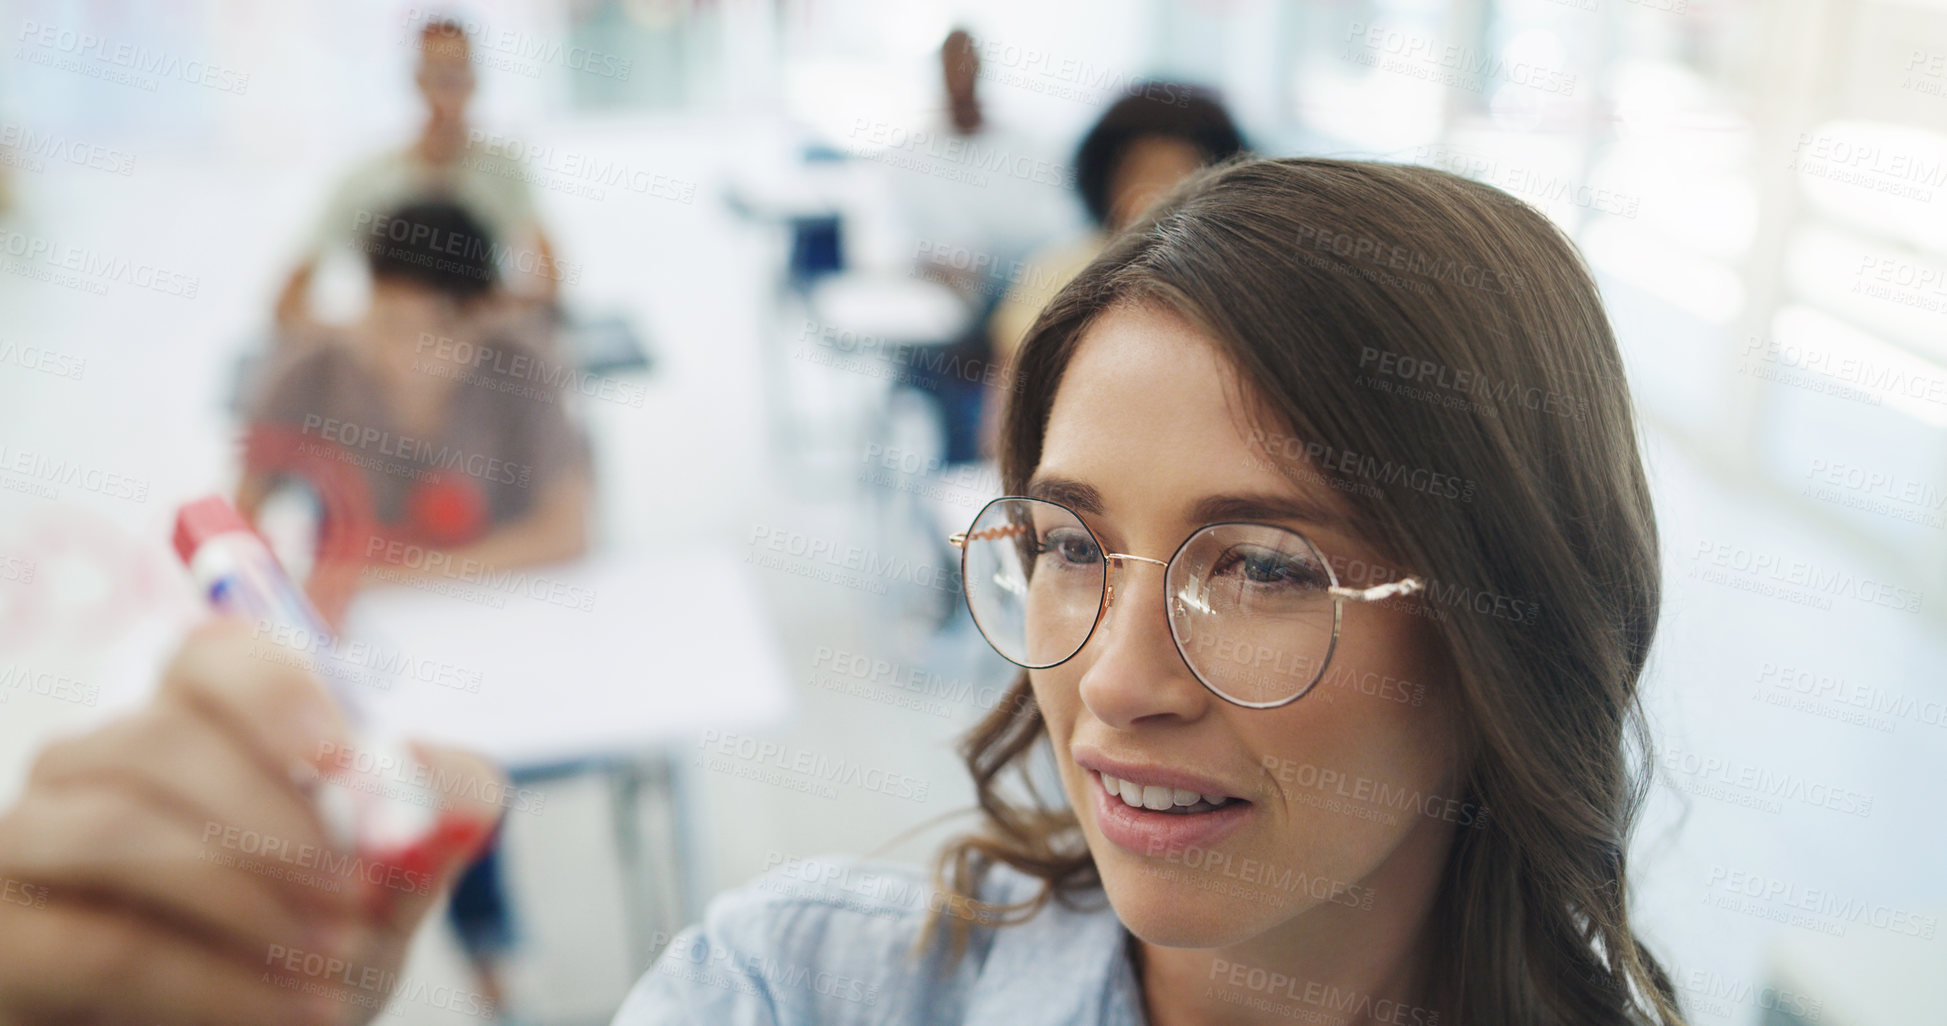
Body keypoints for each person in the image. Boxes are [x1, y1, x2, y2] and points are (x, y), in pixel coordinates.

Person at [0, 158, 1682, 1026]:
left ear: (1505, 623)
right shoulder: (802, 984)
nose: (1109, 684)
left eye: (1255, 563)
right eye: (1069, 544)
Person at [980, 83, 1245, 458]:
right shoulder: (1058, 271)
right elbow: (1002, 421)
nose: (1156, 195)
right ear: (1105, 179)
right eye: (1142, 174)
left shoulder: (1237, 282)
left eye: (1177, 176)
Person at [275, 17, 564, 330]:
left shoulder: (503, 170)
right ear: (417, 79)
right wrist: (362, 338)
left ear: (475, 80)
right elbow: (288, 300)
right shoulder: (365, 180)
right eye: (438, 73)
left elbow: (549, 282)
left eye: (458, 73)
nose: (447, 90)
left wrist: (492, 316)